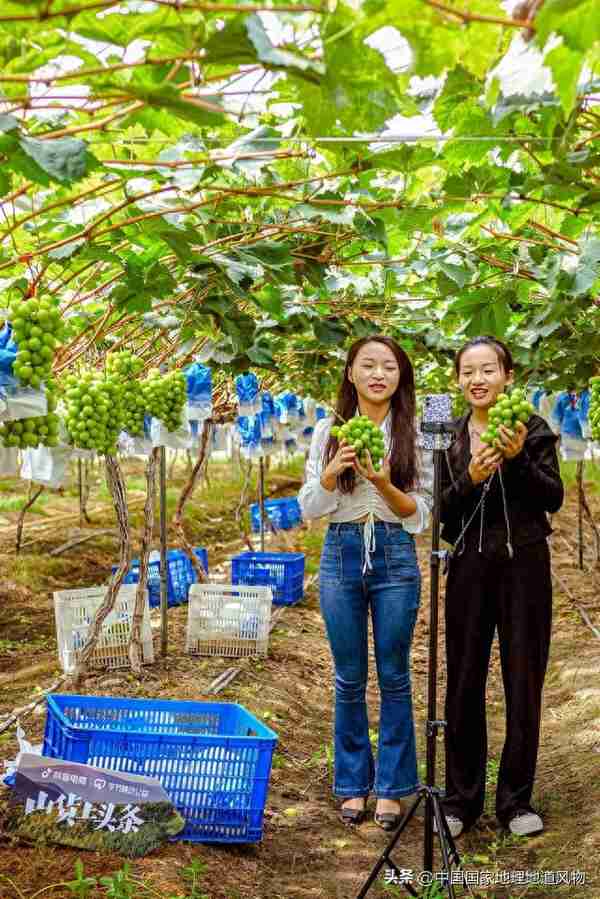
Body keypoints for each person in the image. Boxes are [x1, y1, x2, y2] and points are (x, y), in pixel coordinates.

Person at [298, 336, 433, 830]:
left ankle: (394, 787)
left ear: (401, 377)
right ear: (350, 373)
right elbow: (310, 508)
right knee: (349, 676)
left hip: (395, 554)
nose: (379, 374)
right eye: (368, 365)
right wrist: (332, 473)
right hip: (340, 553)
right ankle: (353, 783)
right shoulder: (327, 430)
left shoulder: (415, 433)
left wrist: (380, 481)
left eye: (390, 366)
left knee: (395, 674)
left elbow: (421, 512)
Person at [440, 336, 564, 839]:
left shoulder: (533, 428)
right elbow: (439, 511)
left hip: (524, 566)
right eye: (468, 371)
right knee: (464, 680)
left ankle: (516, 802)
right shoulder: (444, 433)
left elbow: (551, 498)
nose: (478, 380)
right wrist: (469, 476)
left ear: (507, 376)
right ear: (457, 381)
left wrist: (515, 460)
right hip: (468, 565)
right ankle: (459, 801)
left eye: (488, 370)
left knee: (523, 679)